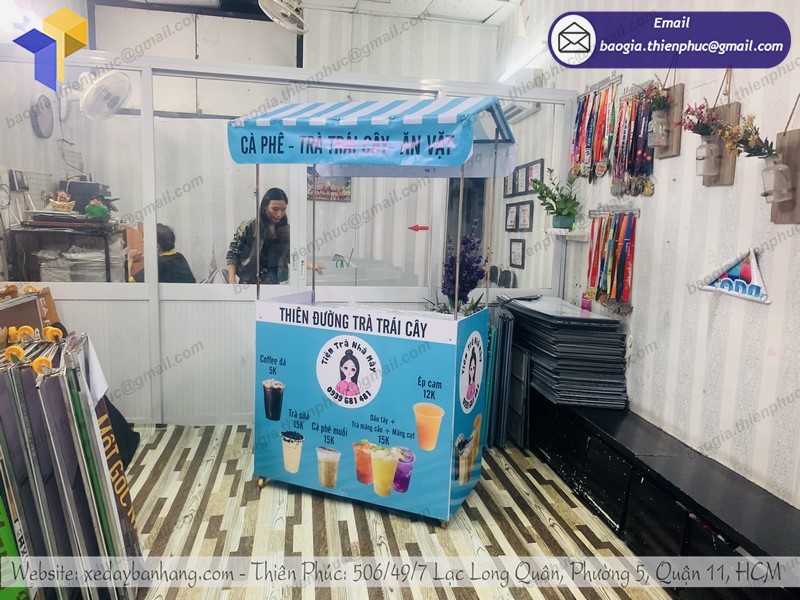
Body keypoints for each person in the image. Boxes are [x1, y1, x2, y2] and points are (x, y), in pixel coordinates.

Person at [226, 188, 322, 285]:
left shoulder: (285, 229)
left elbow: (289, 255)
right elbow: (232, 254)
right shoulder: (250, 226)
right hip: (250, 282)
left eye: (283, 210)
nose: (279, 214)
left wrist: (308, 265)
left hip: (275, 281)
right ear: (265, 206)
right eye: (275, 209)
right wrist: (232, 281)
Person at [130, 223, 196, 283]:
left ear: (157, 247)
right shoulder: (179, 256)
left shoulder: (157, 264)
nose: (143, 246)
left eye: (144, 243)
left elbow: (130, 283)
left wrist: (130, 259)